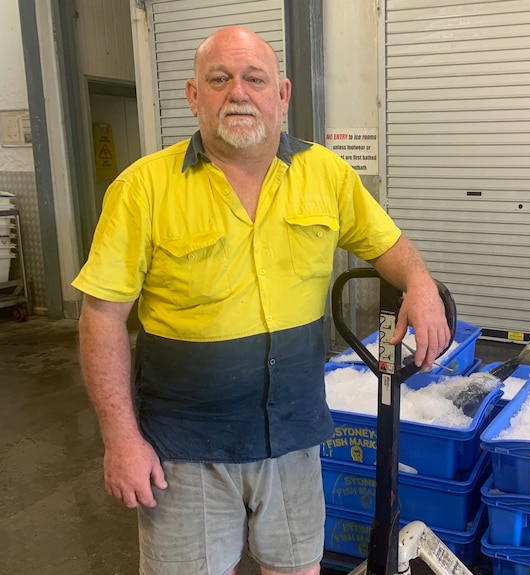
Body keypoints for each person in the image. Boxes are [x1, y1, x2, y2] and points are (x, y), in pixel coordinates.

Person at [72, 26, 450, 575]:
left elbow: (388, 245)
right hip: (185, 445)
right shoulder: (142, 189)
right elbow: (101, 318)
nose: (238, 93)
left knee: (296, 569)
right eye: (219, 79)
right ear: (193, 95)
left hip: (293, 435)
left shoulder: (325, 173)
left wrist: (419, 283)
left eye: (254, 78)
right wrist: (121, 439)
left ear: (283, 93)